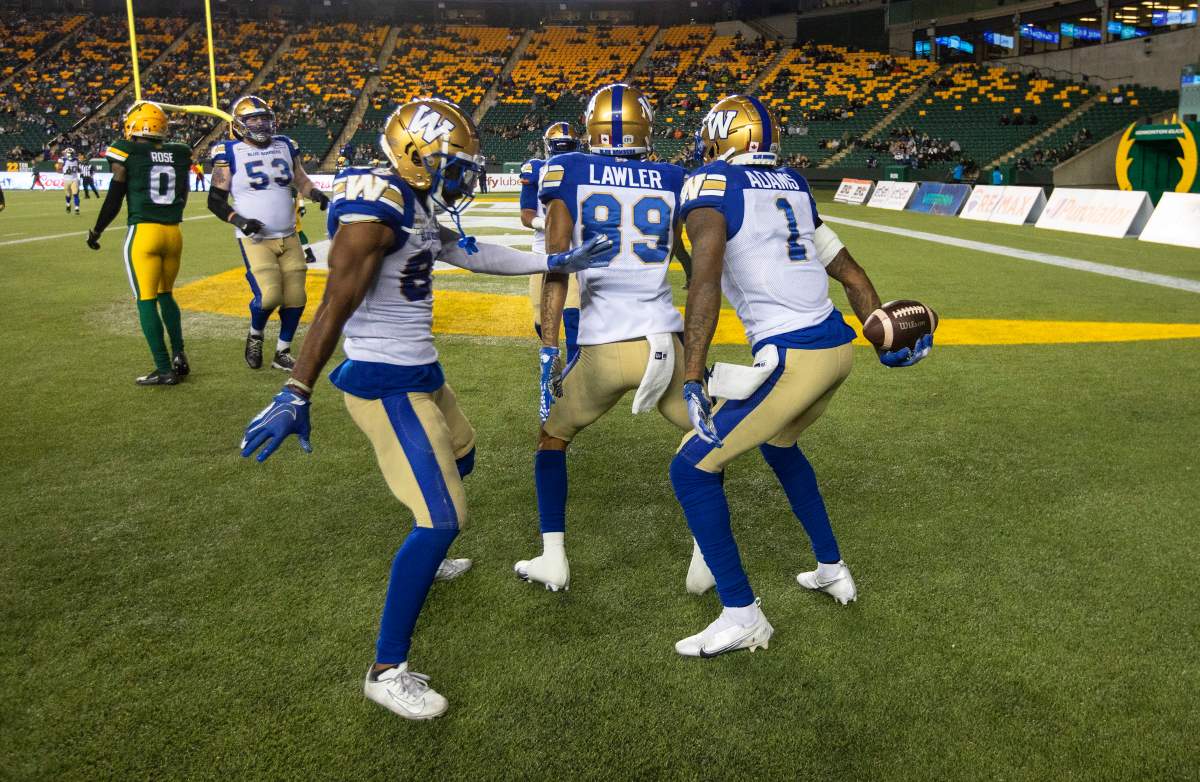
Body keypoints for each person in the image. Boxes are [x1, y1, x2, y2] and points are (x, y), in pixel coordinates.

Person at [238, 98, 612, 720]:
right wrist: (296, 389)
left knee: (462, 457)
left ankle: (427, 560)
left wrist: (550, 260)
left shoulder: (412, 201)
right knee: (441, 521)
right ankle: (387, 669)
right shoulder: (376, 208)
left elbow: (466, 251)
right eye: (452, 161)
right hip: (385, 379)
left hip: (420, 370)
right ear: (415, 153)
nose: (461, 174)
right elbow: (335, 300)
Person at [669, 95, 933, 658]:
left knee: (691, 469)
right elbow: (854, 276)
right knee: (782, 448)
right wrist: (881, 331)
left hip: (794, 356)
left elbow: (705, 283)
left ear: (721, 137)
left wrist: (693, 375)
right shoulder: (791, 184)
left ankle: (742, 615)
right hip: (838, 348)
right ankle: (831, 567)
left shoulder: (708, 185)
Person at [514, 83, 694, 592]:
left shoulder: (568, 170)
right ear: (647, 127)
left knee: (552, 438)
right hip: (664, 339)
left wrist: (550, 348)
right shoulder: (675, 178)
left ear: (592, 126)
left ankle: (554, 557)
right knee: (705, 437)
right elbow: (690, 259)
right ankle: (705, 555)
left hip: (605, 344)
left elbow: (556, 268)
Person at [208, 95, 329, 371]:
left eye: (264, 118)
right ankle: (255, 334)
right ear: (240, 123)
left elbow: (300, 179)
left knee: (297, 297)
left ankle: (282, 351)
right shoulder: (228, 152)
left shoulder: (286, 145)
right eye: (253, 119)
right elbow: (215, 200)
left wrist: (316, 194)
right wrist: (239, 220)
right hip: (256, 239)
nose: (261, 123)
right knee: (270, 296)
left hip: (289, 235)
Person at [85, 102, 192, 386]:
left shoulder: (126, 150)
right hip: (173, 234)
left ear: (134, 125)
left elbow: (114, 197)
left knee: (146, 299)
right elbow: (183, 191)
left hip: (144, 232)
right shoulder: (180, 152)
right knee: (167, 294)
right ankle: (179, 354)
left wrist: (96, 231)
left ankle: (163, 368)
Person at [521, 122, 581, 364]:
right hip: (541, 255)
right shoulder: (535, 169)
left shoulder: (582, 169)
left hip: (574, 253)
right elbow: (526, 215)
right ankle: (555, 356)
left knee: (572, 315)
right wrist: (548, 224)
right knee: (541, 320)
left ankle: (575, 367)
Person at [57, 147, 81, 214]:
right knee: (68, 195)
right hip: (66, 179)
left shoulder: (76, 159)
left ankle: (77, 208)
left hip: (74, 179)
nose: (71, 154)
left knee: (75, 194)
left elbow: (78, 169)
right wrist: (64, 171)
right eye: (70, 153)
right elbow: (58, 170)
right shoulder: (62, 160)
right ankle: (68, 204)